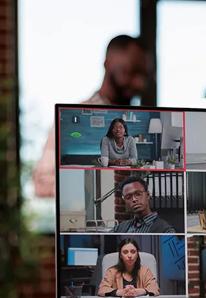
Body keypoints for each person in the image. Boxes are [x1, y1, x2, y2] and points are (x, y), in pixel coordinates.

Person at [33, 35, 150, 197]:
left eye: (144, 76)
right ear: (108, 62)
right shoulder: (70, 118)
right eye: (131, 70)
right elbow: (42, 186)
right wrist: (92, 183)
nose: (139, 83)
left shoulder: (143, 121)